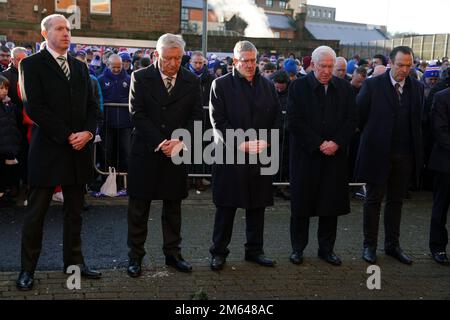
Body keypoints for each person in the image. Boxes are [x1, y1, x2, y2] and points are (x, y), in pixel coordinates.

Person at [16, 14, 100, 291]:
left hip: (78, 151)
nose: (66, 33)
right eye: (60, 29)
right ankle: (27, 269)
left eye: (68, 29)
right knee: (36, 214)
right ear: (45, 33)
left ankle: (74, 264)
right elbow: (34, 107)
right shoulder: (30, 64)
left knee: (75, 213)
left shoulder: (79, 67)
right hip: (49, 149)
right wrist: (67, 135)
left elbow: (92, 105)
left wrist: (88, 133)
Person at [126, 33, 203, 277]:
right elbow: (136, 114)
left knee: (173, 208)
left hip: (176, 153)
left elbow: (197, 117)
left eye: (178, 58)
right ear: (157, 55)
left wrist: (179, 141)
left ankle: (173, 254)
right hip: (147, 151)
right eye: (168, 58)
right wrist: (161, 142)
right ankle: (135, 257)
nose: (172, 63)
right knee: (139, 209)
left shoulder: (191, 80)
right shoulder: (140, 77)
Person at [208, 40, 282, 271]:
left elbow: (278, 119)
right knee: (226, 208)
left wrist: (268, 141)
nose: (250, 65)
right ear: (235, 61)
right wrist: (241, 144)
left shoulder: (268, 86)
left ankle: (254, 250)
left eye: (253, 61)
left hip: (260, 156)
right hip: (231, 157)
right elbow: (218, 122)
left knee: (257, 206)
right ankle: (218, 252)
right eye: (245, 61)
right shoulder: (220, 85)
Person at [287, 46, 357, 266]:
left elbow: (351, 120)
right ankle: (298, 249)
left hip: (334, 157)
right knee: (301, 206)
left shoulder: (345, 88)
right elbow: (294, 121)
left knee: (330, 205)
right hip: (306, 156)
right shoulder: (298, 87)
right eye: (322, 66)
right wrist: (318, 143)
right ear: (313, 65)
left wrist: (336, 142)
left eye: (330, 66)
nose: (326, 71)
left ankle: (326, 249)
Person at [355, 46, 424, 265]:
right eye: (400, 65)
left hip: (404, 154)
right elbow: (360, 116)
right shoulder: (373, 85)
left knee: (396, 202)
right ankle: (369, 246)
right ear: (390, 64)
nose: (405, 69)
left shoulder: (417, 88)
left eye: (408, 65)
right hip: (377, 153)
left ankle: (393, 245)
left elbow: (417, 120)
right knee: (373, 201)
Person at [427, 87, 450, 265]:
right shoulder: (441, 97)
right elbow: (439, 130)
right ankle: (437, 247)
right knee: (440, 208)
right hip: (445, 164)